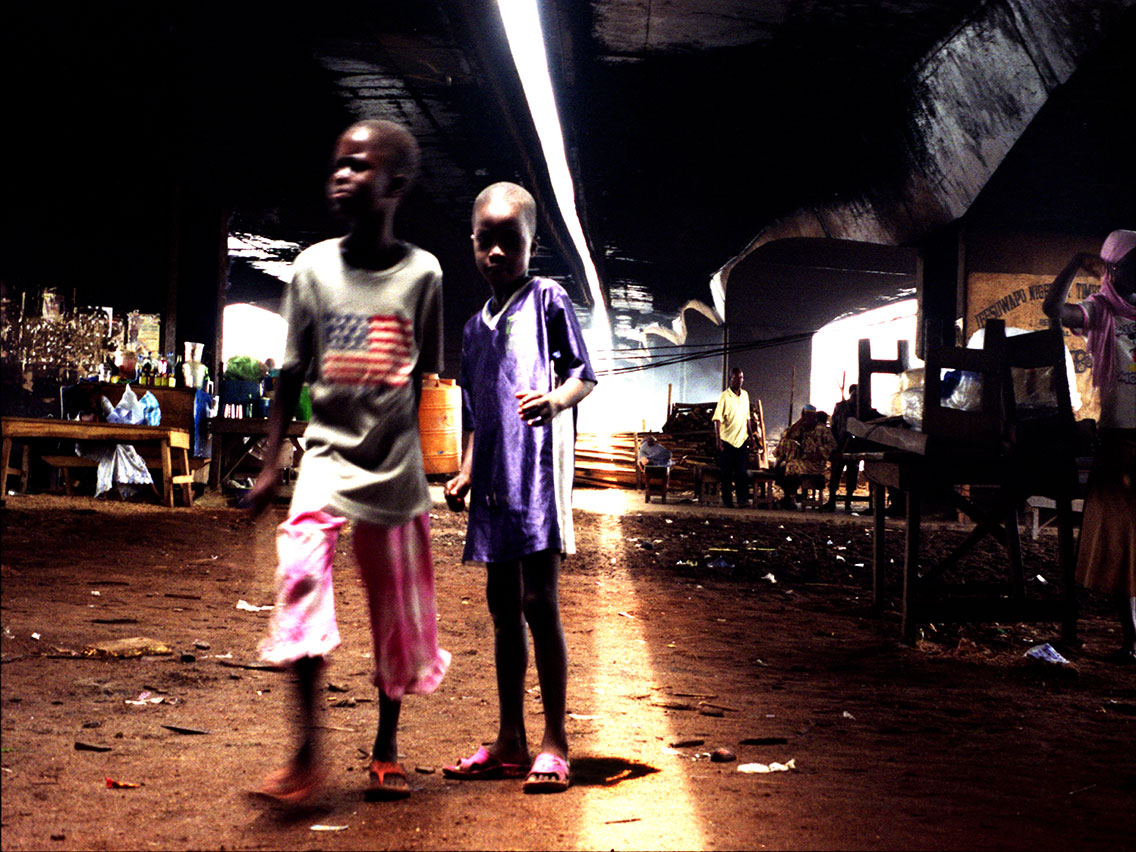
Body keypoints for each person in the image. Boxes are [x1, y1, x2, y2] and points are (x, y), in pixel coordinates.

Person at [243, 119, 451, 803]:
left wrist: (444, 465)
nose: (341, 174)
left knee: (396, 614)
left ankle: (387, 745)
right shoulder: (310, 269)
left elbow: (429, 381)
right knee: (300, 576)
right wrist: (274, 464)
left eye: (358, 165)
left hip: (394, 469)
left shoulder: (425, 276)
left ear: (397, 183)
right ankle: (306, 754)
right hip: (326, 460)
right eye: (337, 163)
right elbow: (289, 373)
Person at [442, 181, 596, 793]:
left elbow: (584, 374)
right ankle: (510, 740)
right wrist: (465, 467)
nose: (498, 253)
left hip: (536, 475)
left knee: (540, 601)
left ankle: (555, 741)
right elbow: (477, 411)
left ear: (532, 243)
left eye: (511, 241)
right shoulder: (474, 328)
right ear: (473, 245)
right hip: (495, 483)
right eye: (487, 242)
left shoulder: (548, 297)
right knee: (502, 605)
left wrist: (555, 400)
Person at [1043, 228, 1136, 664]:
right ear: (1112, 269)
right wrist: (1076, 263)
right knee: (1121, 542)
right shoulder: (1099, 311)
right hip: (1120, 440)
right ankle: (1130, 639)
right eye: (1130, 265)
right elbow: (1052, 309)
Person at [775, 405, 837, 510]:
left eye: (809, 416)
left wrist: (819, 453)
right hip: (803, 461)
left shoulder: (821, 429)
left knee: (791, 467)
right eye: (805, 416)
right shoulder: (803, 428)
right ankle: (789, 497)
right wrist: (801, 421)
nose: (807, 419)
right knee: (784, 465)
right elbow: (788, 435)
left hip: (815, 464)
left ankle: (790, 498)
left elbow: (833, 445)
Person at [712, 367, 755, 507]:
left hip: (741, 440)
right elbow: (717, 419)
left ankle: (742, 500)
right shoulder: (725, 396)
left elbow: (747, 418)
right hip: (727, 441)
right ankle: (727, 500)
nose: (739, 381)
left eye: (741, 378)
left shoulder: (745, 395)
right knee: (726, 473)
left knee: (741, 472)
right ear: (730, 379)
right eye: (735, 378)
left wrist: (751, 437)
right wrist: (718, 441)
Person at [823, 385, 862, 512]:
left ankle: (848, 503)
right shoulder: (840, 406)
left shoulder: (861, 408)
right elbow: (834, 425)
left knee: (852, 475)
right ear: (850, 393)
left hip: (854, 447)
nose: (855, 396)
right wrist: (833, 445)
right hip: (839, 445)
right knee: (835, 474)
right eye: (854, 394)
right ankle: (832, 501)